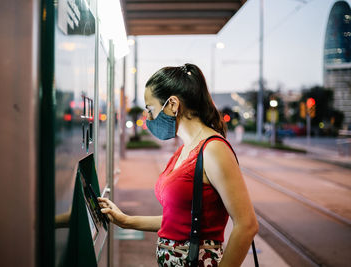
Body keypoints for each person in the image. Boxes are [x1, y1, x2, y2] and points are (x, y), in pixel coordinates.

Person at [98, 63, 258, 267]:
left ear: (172, 104)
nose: (148, 118)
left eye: (150, 109)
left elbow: (247, 225)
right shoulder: (185, 150)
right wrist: (125, 220)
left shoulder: (213, 149)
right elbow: (179, 220)